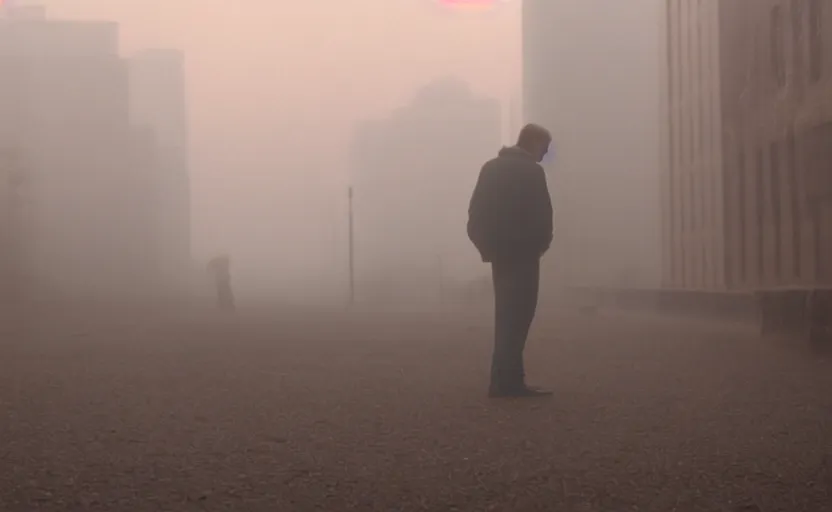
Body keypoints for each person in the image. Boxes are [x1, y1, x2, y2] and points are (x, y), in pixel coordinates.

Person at [467, 124, 554, 398]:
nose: (546, 155)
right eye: (545, 148)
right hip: (525, 254)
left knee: (505, 314)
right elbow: (544, 215)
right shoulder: (532, 172)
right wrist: (540, 246)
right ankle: (508, 381)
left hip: (500, 254)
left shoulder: (490, 168)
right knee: (520, 317)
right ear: (535, 142)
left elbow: (475, 214)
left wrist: (487, 248)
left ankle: (504, 378)